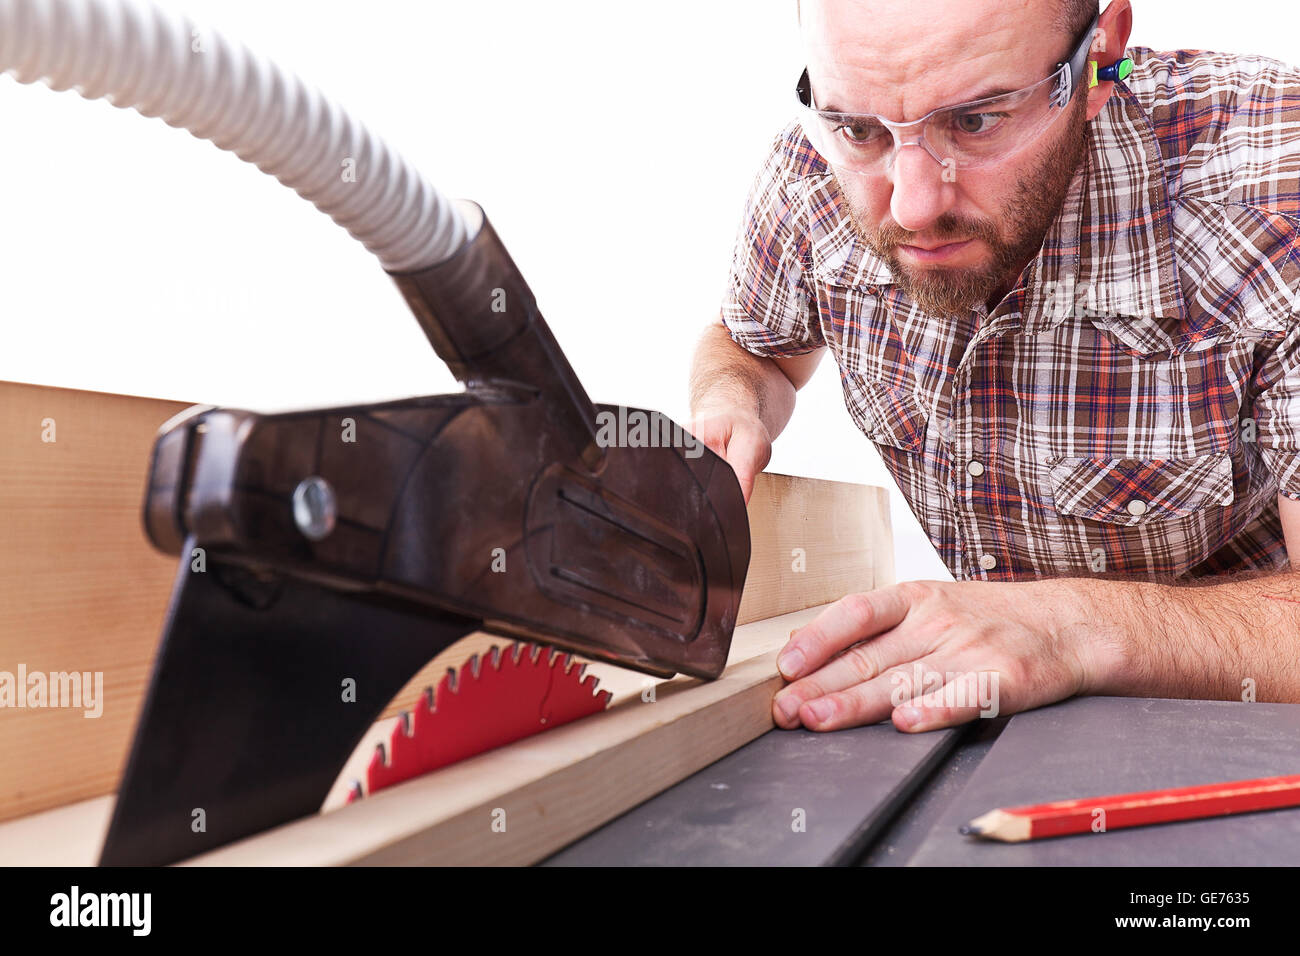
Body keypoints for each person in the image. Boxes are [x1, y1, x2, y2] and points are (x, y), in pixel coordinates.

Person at [687, 0, 1300, 733]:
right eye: (859, 128)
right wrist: (734, 402)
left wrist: (1070, 627)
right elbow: (754, 348)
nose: (912, 208)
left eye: (975, 121)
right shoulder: (810, 180)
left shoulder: (1274, 186)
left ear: (1101, 59)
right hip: (993, 738)